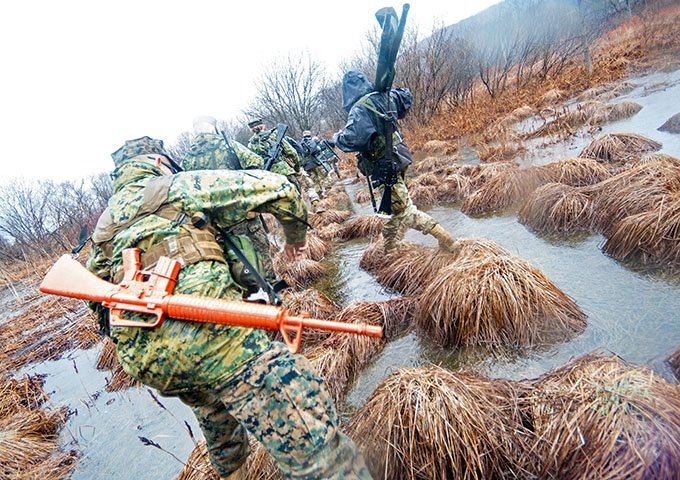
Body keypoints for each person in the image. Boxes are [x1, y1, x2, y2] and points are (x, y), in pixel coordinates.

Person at [86, 136, 371, 480]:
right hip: (219, 342)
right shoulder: (178, 186)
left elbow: (98, 304)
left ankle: (231, 469)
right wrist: (296, 240)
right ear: (159, 162)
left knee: (214, 411)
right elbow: (281, 188)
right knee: (316, 444)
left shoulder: (105, 227)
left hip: (148, 361)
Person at [333, 70, 457, 253]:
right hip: (399, 157)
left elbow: (352, 140)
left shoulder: (359, 108)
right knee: (394, 208)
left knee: (406, 212)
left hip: (384, 165)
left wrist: (337, 137)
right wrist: (385, 92)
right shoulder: (383, 96)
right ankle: (390, 248)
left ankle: (448, 240)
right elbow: (406, 96)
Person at [183, 116, 276, 285]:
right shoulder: (227, 145)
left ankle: (252, 299)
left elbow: (188, 193)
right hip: (245, 214)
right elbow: (257, 163)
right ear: (213, 128)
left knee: (236, 261)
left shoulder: (188, 159)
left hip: (218, 224)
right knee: (262, 254)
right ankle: (275, 293)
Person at [246, 118, 323, 213]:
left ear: (251, 130)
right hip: (286, 171)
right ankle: (313, 208)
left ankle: (300, 218)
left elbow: (253, 164)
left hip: (269, 177)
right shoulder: (274, 135)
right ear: (263, 126)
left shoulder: (250, 145)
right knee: (302, 189)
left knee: (285, 202)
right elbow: (292, 152)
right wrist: (297, 167)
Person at [299, 130, 333, 198]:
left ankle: (320, 196)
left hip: (307, 166)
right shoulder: (310, 141)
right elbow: (315, 150)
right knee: (325, 177)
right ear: (309, 135)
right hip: (316, 163)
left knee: (315, 181)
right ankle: (330, 194)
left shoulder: (301, 144)